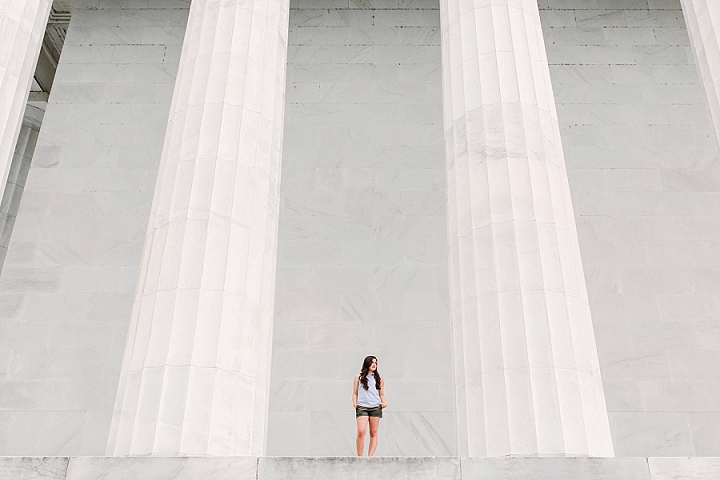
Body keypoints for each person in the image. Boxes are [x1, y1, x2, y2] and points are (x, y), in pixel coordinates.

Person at [352, 355, 387, 456]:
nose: (374, 365)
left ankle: (370, 457)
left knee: (373, 432)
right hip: (362, 407)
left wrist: (385, 403)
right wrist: (355, 403)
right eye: (372, 362)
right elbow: (355, 393)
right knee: (361, 431)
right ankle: (360, 457)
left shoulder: (379, 378)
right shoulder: (358, 378)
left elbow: (381, 394)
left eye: (376, 363)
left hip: (375, 407)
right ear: (367, 364)